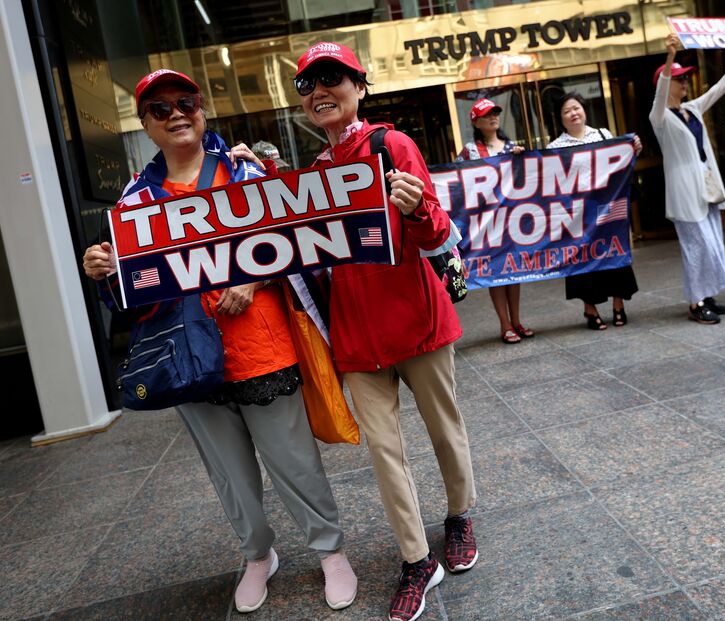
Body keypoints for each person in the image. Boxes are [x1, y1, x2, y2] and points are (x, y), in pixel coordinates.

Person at [81, 69, 357, 614]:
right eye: (161, 109)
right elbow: (132, 296)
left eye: (186, 102)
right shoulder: (134, 201)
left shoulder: (244, 171)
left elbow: (297, 239)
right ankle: (258, 555)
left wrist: (252, 276)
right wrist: (104, 271)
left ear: (202, 110)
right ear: (146, 125)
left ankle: (330, 553)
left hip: (263, 345)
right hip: (188, 357)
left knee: (293, 460)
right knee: (228, 473)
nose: (177, 113)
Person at [292, 42, 477, 621]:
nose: (320, 89)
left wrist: (418, 208)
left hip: (417, 322)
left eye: (332, 77)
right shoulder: (316, 173)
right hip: (356, 336)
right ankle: (416, 560)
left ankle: (459, 515)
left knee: (445, 430)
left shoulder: (392, 145)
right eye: (308, 84)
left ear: (359, 87)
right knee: (384, 452)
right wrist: (260, 184)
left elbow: (435, 233)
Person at [649, 33, 725, 324]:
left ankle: (707, 295)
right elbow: (660, 93)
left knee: (713, 242)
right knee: (697, 246)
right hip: (684, 191)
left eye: (685, 78)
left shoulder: (692, 108)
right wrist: (670, 56)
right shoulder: (658, 116)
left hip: (707, 186)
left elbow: (722, 86)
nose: (684, 83)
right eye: (678, 78)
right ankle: (696, 303)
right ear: (666, 82)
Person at [547, 92, 643, 330]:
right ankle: (590, 310)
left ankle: (619, 304)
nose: (573, 114)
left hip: (607, 208)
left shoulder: (603, 135)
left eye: (576, 108)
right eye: (566, 111)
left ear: (584, 110)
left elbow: (619, 165)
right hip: (578, 215)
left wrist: (634, 150)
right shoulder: (554, 147)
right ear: (560, 118)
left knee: (614, 254)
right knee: (583, 260)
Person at [456, 98, 533, 344]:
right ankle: (505, 323)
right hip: (487, 222)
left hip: (512, 220)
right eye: (487, 114)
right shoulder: (470, 151)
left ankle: (517, 320)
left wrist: (521, 160)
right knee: (496, 271)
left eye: (496, 113)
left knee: (514, 270)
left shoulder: (511, 147)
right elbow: (459, 180)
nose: (493, 117)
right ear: (476, 122)